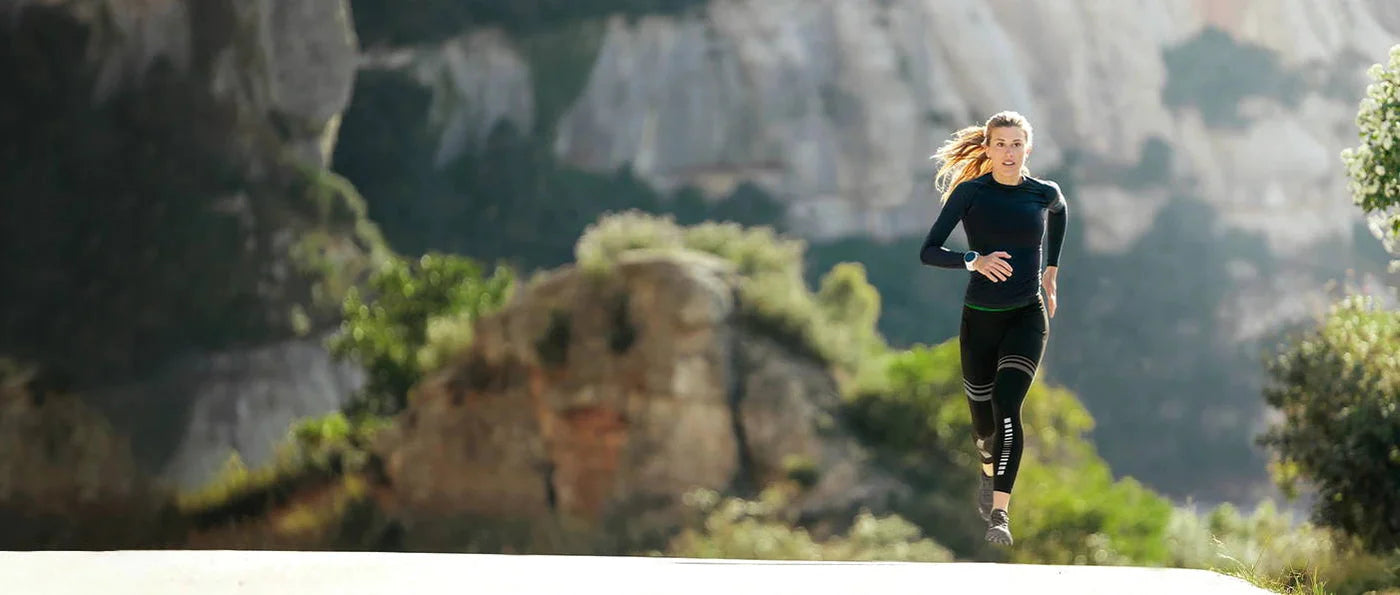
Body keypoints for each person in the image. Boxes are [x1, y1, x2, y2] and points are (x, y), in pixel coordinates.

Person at [917, 110, 1068, 546]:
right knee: (983, 424)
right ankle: (987, 469)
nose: (1008, 152)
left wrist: (1051, 271)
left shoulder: (1043, 193)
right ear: (987, 148)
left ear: (1028, 149)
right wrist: (973, 260)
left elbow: (1061, 212)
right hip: (980, 317)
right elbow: (929, 251)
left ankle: (999, 513)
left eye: (1017, 144)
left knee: (1007, 406)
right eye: (1000, 144)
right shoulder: (970, 194)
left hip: (1026, 314)